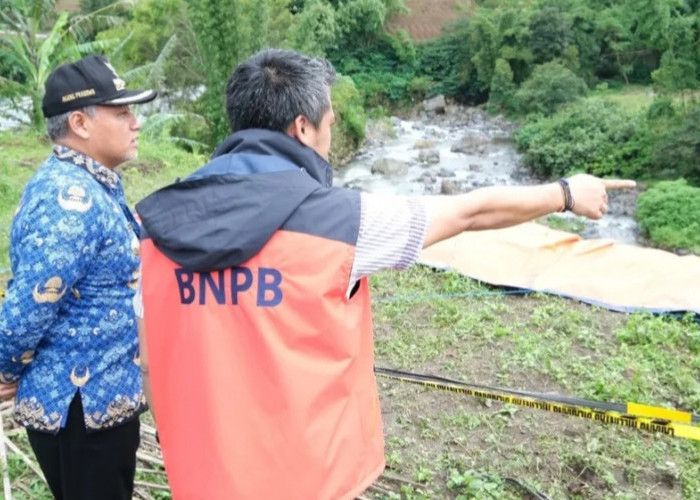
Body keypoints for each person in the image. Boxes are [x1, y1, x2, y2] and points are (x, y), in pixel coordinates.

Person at [134, 48, 635, 500]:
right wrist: (566, 194)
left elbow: (152, 364)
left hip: (202, 479)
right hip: (311, 481)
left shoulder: (154, 227)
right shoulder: (346, 221)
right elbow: (469, 212)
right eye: (330, 124)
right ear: (303, 128)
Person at [0, 54, 156, 500]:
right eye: (122, 111)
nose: (135, 122)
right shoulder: (69, 199)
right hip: (79, 409)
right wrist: (5, 367)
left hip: (99, 406)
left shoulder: (92, 184)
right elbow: (31, 303)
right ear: (80, 123)